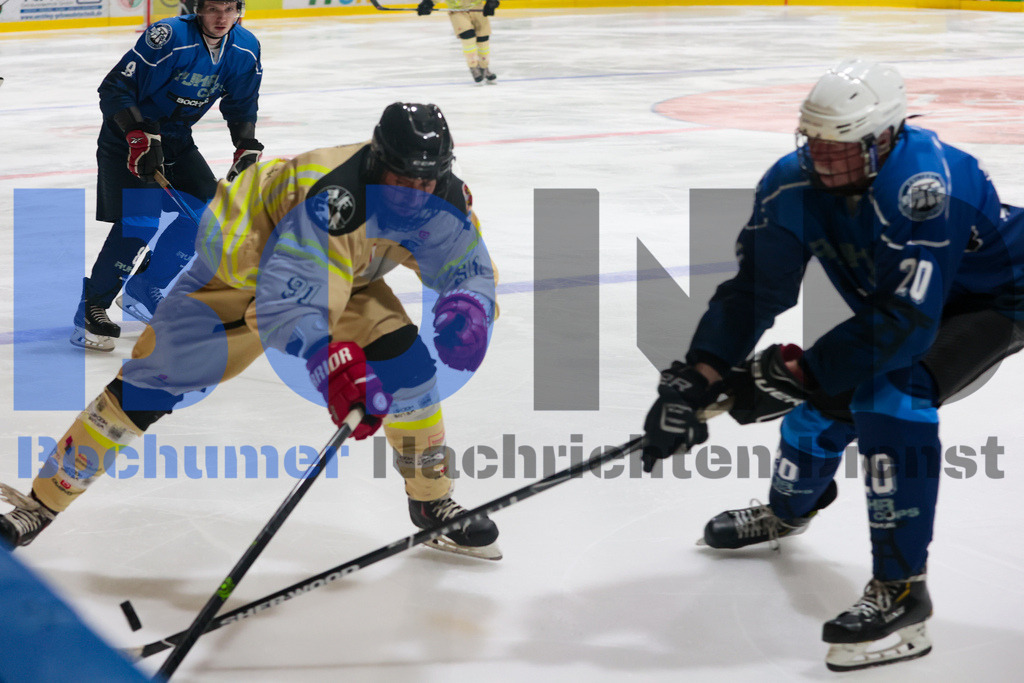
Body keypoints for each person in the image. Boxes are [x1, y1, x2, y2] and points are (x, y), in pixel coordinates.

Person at [640, 58, 1024, 672]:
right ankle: (787, 511)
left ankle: (903, 593)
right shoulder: (790, 183)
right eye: (814, 142)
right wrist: (701, 376)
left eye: (844, 147)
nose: (825, 159)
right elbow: (755, 290)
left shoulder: (928, 184)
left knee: (888, 400)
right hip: (905, 305)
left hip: (996, 299)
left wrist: (794, 375)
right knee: (819, 409)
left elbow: (906, 323)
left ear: (889, 136)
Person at [2, 102, 502, 561]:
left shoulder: (442, 192)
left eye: (427, 181)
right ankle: (40, 506)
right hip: (240, 269)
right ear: (377, 159)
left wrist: (471, 305)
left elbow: (466, 263)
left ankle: (431, 504)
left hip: (343, 274)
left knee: (409, 373)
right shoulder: (331, 196)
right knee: (141, 393)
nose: (415, 195)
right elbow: (291, 300)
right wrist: (329, 360)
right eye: (401, 178)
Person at [73, 0, 263, 352]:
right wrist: (136, 135)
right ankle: (93, 306)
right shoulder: (170, 36)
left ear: (240, 10)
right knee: (141, 223)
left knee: (207, 214)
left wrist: (245, 145)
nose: (221, 18)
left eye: (229, 9)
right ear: (197, 9)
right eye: (212, 9)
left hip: (175, 139)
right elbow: (114, 89)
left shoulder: (246, 48)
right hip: (126, 137)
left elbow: (241, 103)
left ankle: (145, 288)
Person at [417, 0, 500, 84]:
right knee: (468, 36)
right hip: (457, 11)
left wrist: (492, 2)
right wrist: (428, 3)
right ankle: (473, 67)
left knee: (483, 39)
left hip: (478, 8)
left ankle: (484, 67)